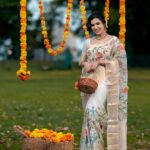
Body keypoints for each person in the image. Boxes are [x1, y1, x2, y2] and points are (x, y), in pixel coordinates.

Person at [79, 12, 128, 150]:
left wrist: (101, 61)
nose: (95, 27)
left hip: (107, 81)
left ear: (104, 24)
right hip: (90, 81)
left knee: (92, 109)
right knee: (90, 112)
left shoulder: (114, 41)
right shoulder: (88, 42)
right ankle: (95, 145)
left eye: (98, 23)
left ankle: (100, 141)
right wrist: (86, 64)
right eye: (92, 25)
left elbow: (120, 61)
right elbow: (81, 60)